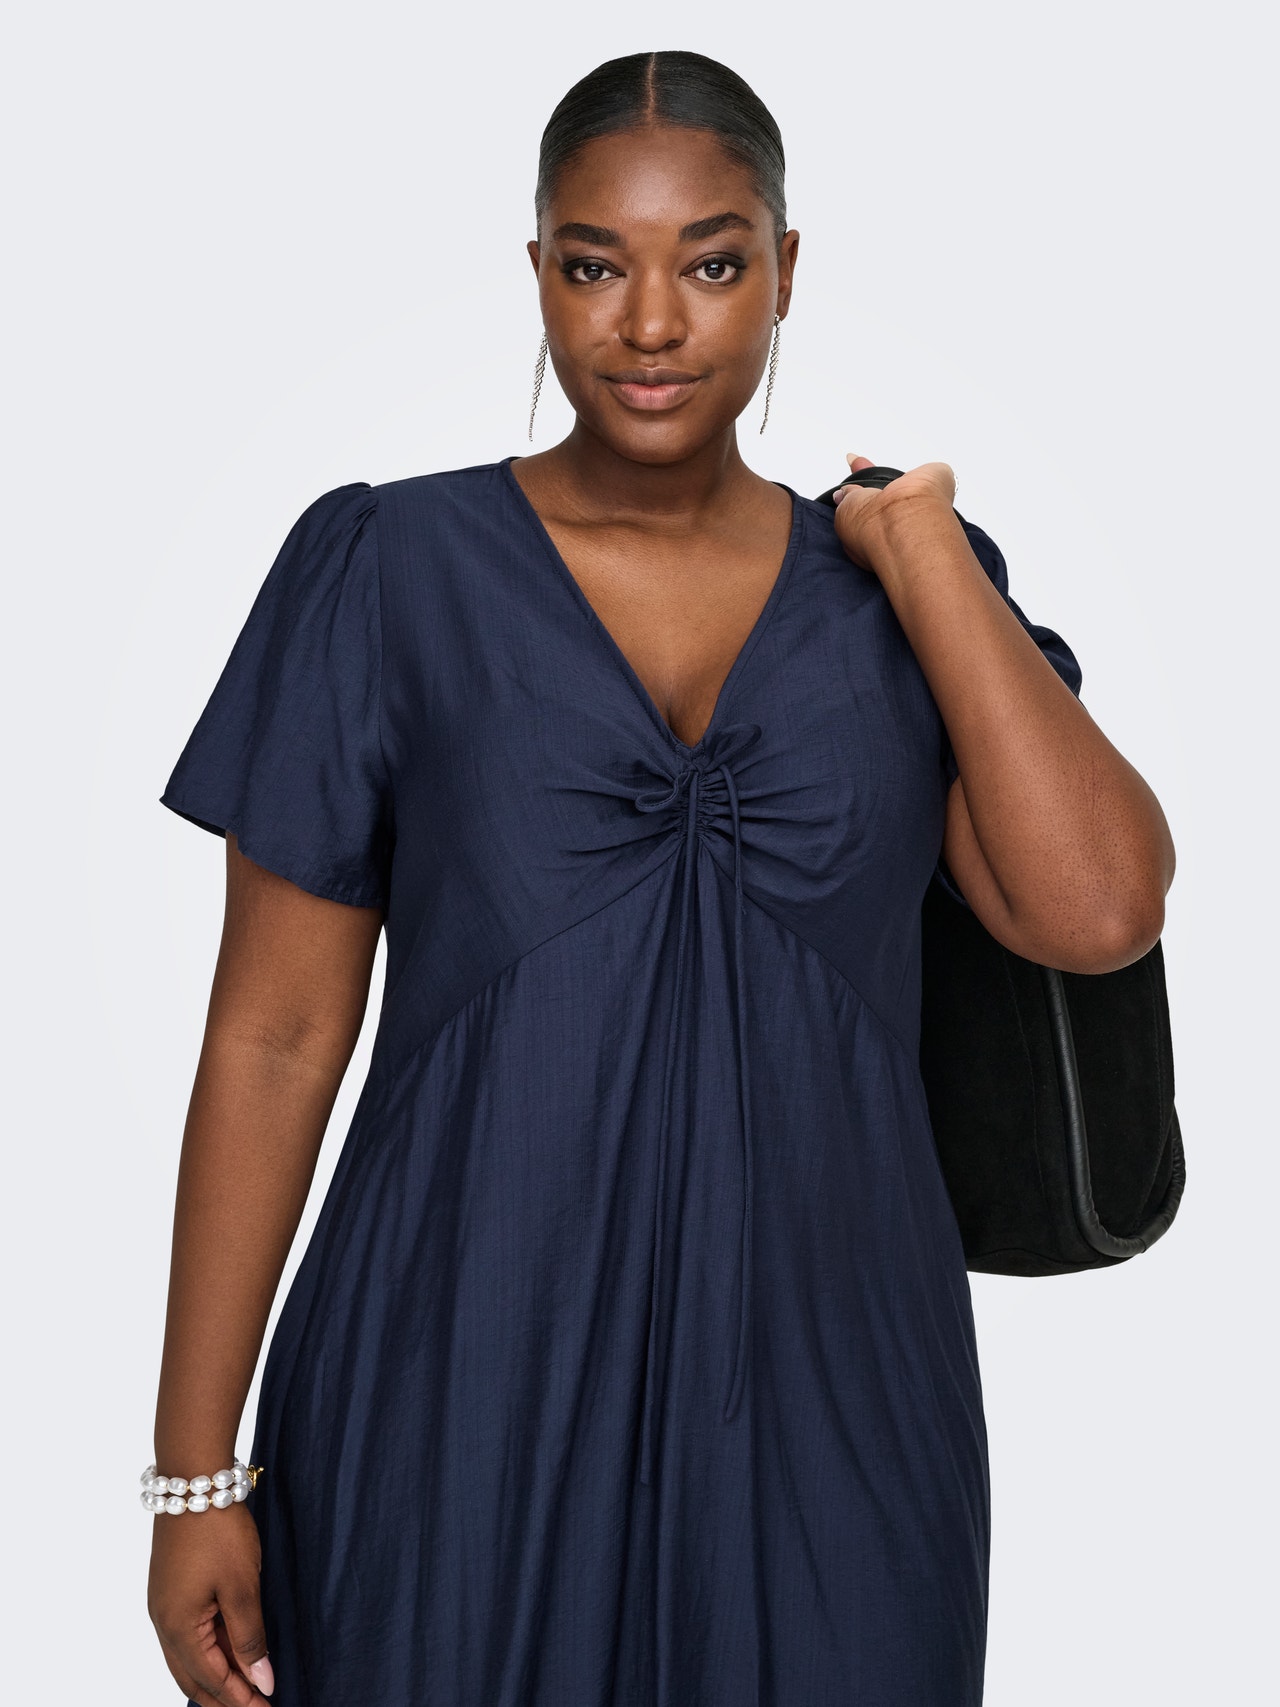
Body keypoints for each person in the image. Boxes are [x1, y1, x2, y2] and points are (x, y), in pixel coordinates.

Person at [143, 48, 1176, 1707]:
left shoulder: (909, 594)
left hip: (841, 1390)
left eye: (709, 264)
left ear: (785, 271)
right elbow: (272, 1039)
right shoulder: (389, 569)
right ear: (537, 272)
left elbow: (1100, 907)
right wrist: (195, 1475)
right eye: (592, 267)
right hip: (458, 1367)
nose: (647, 324)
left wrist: (922, 548)